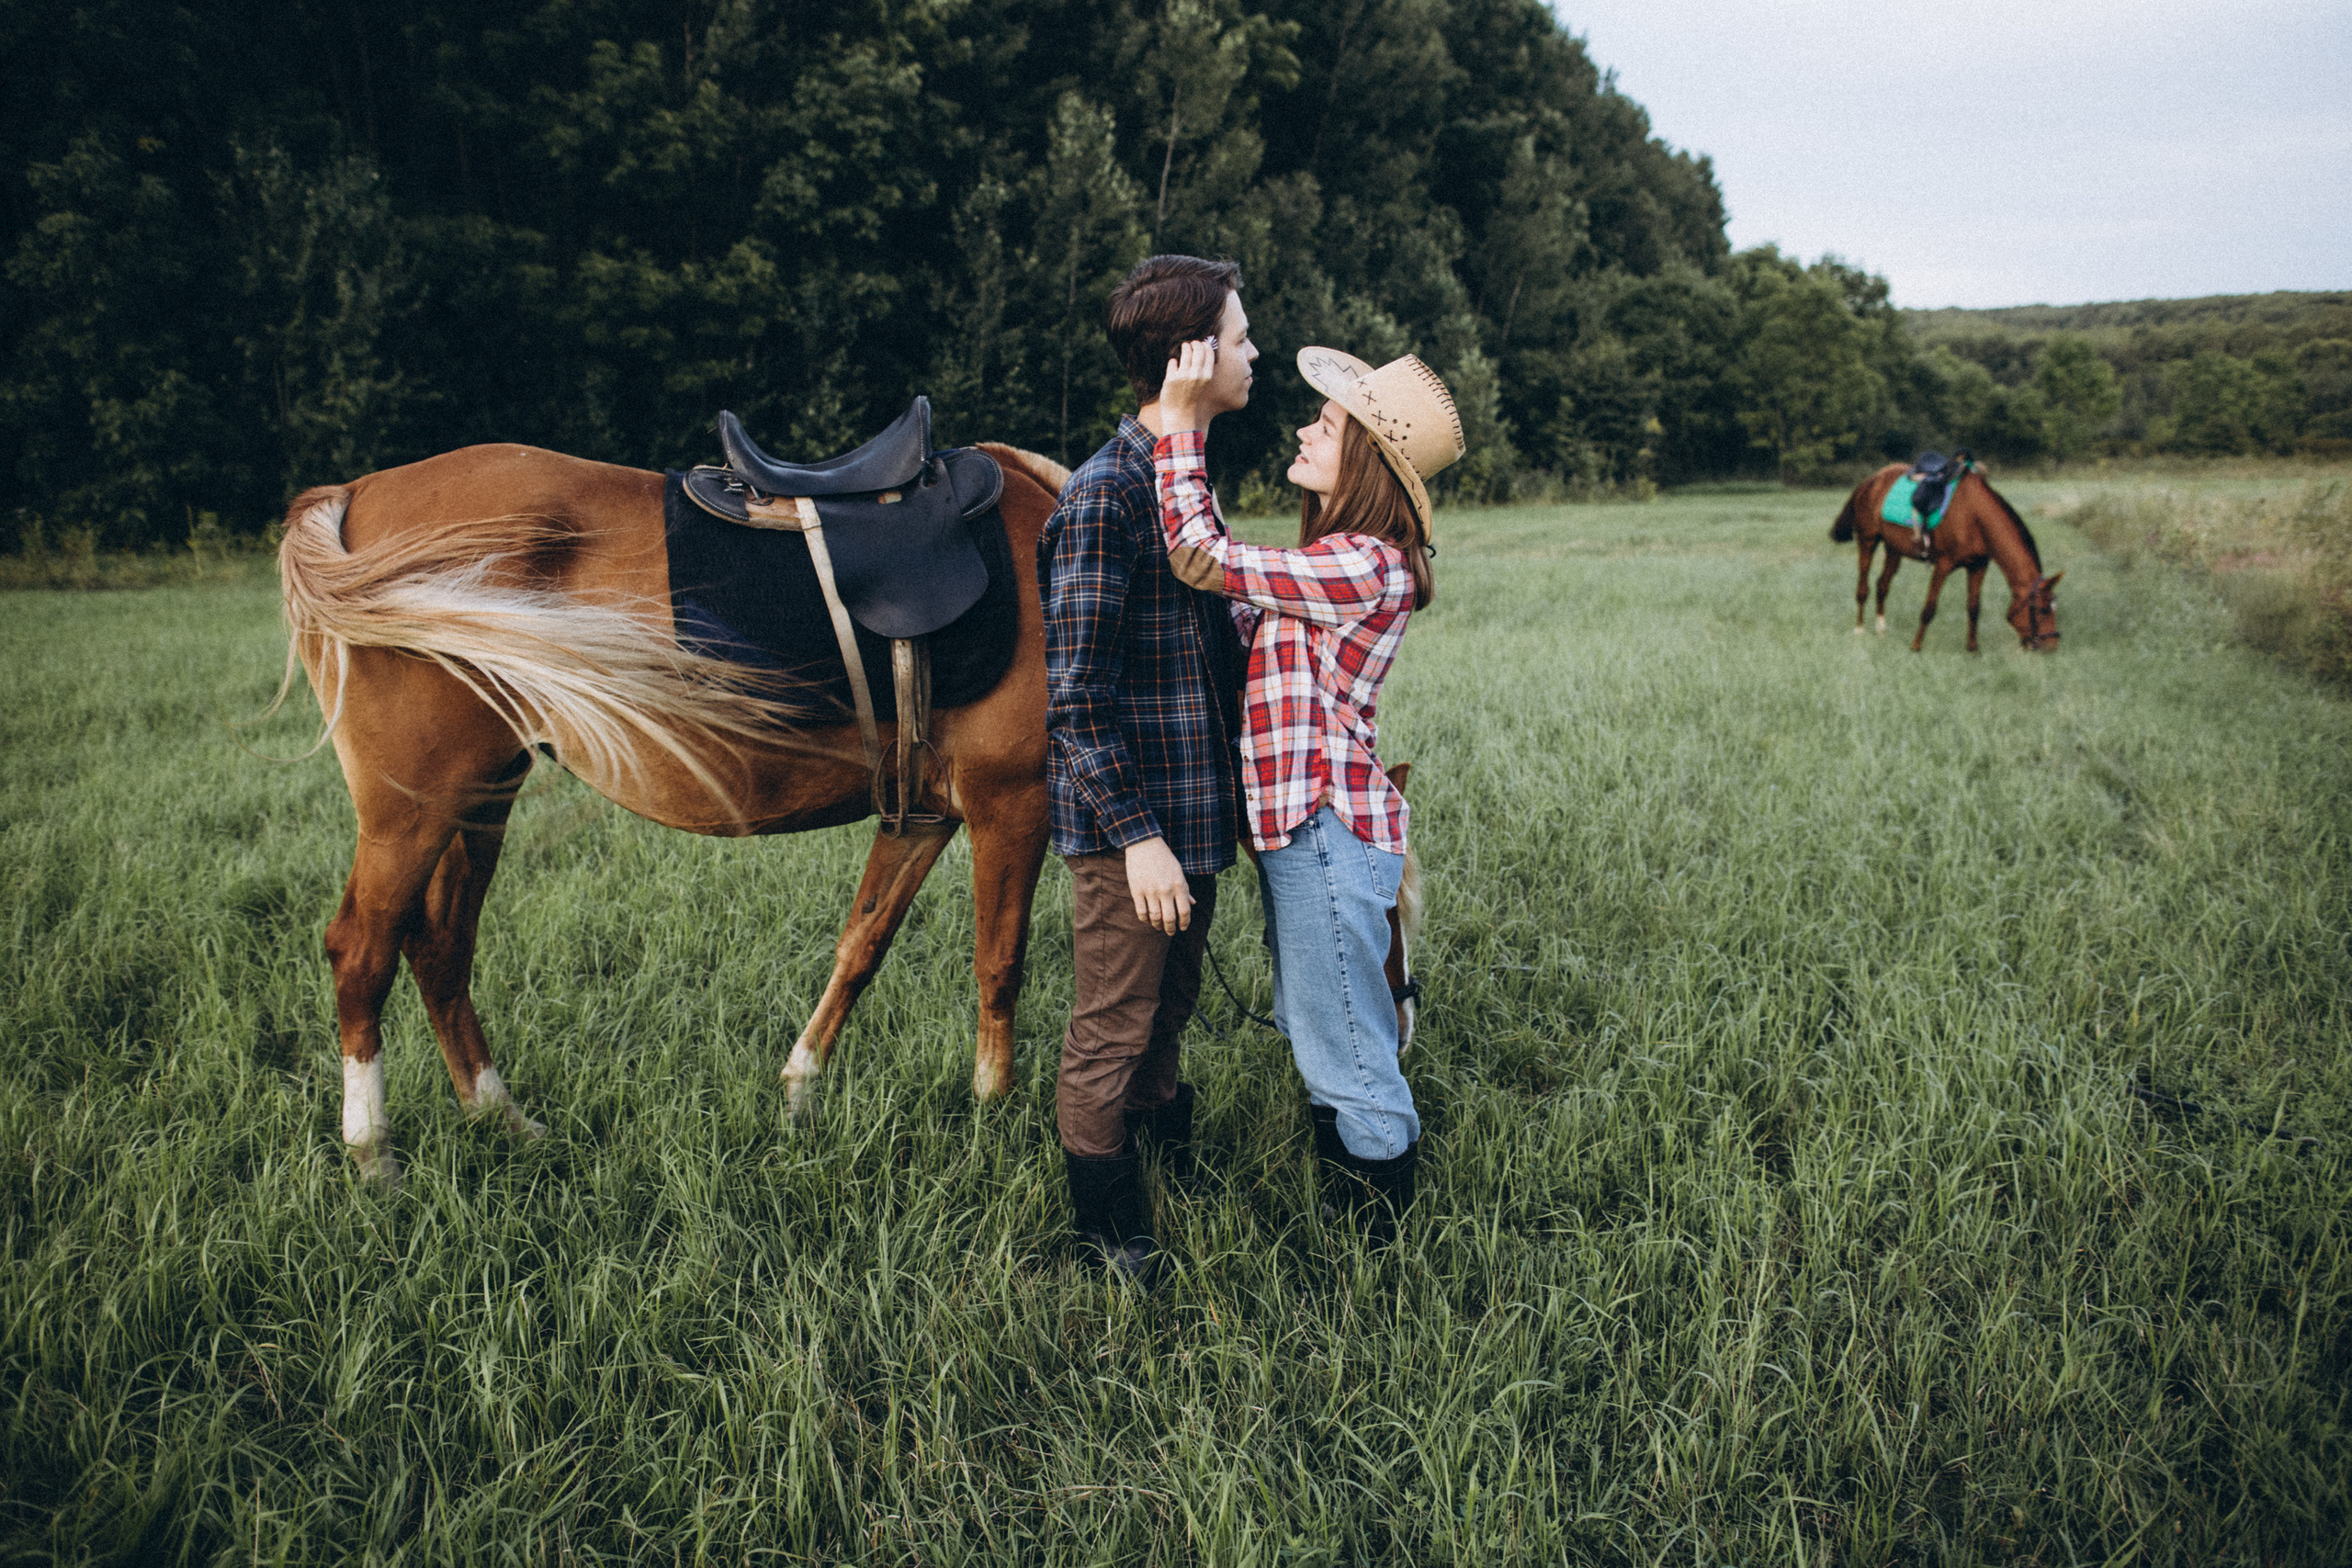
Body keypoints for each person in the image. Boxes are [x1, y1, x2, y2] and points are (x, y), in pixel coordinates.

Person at [1153, 339, 1464, 1243]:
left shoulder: (1366, 564)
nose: (1301, 428)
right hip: (1308, 831)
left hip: (1327, 831)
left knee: (1347, 1051)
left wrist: (1178, 429)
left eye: (1323, 425)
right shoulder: (1334, 564)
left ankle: (1372, 1254)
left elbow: (1203, 561)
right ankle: (1352, 1200)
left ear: (1362, 458)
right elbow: (1233, 594)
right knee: (1317, 1017)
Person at [1038, 254, 1260, 1286]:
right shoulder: (1103, 496)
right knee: (1113, 1024)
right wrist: (1137, 839)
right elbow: (1074, 697)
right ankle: (1108, 1234)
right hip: (1134, 834)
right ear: (1193, 355)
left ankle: (1163, 1156)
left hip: (1190, 815)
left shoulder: (1182, 480)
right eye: (1242, 335)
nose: (1254, 352)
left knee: (1168, 1011)